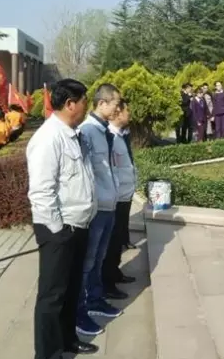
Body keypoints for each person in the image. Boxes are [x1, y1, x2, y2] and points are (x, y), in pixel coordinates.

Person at [27, 79, 98, 359]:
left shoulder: (73, 134)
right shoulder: (48, 138)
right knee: (52, 295)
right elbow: (41, 192)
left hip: (78, 224)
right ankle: (48, 353)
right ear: (70, 104)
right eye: (84, 101)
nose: (87, 107)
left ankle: (68, 340)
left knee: (71, 288)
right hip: (59, 229)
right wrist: (58, 231)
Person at [76, 83, 123, 338]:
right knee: (87, 262)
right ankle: (79, 311)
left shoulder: (104, 130)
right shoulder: (87, 131)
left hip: (109, 204)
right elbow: (86, 172)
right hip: (96, 208)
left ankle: (95, 300)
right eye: (115, 103)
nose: (118, 108)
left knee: (99, 259)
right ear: (102, 103)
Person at [102, 99, 137, 299]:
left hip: (125, 195)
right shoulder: (109, 137)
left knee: (119, 240)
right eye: (126, 110)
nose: (129, 114)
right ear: (118, 113)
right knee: (112, 242)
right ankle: (107, 283)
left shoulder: (121, 135)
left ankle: (115, 272)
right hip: (116, 197)